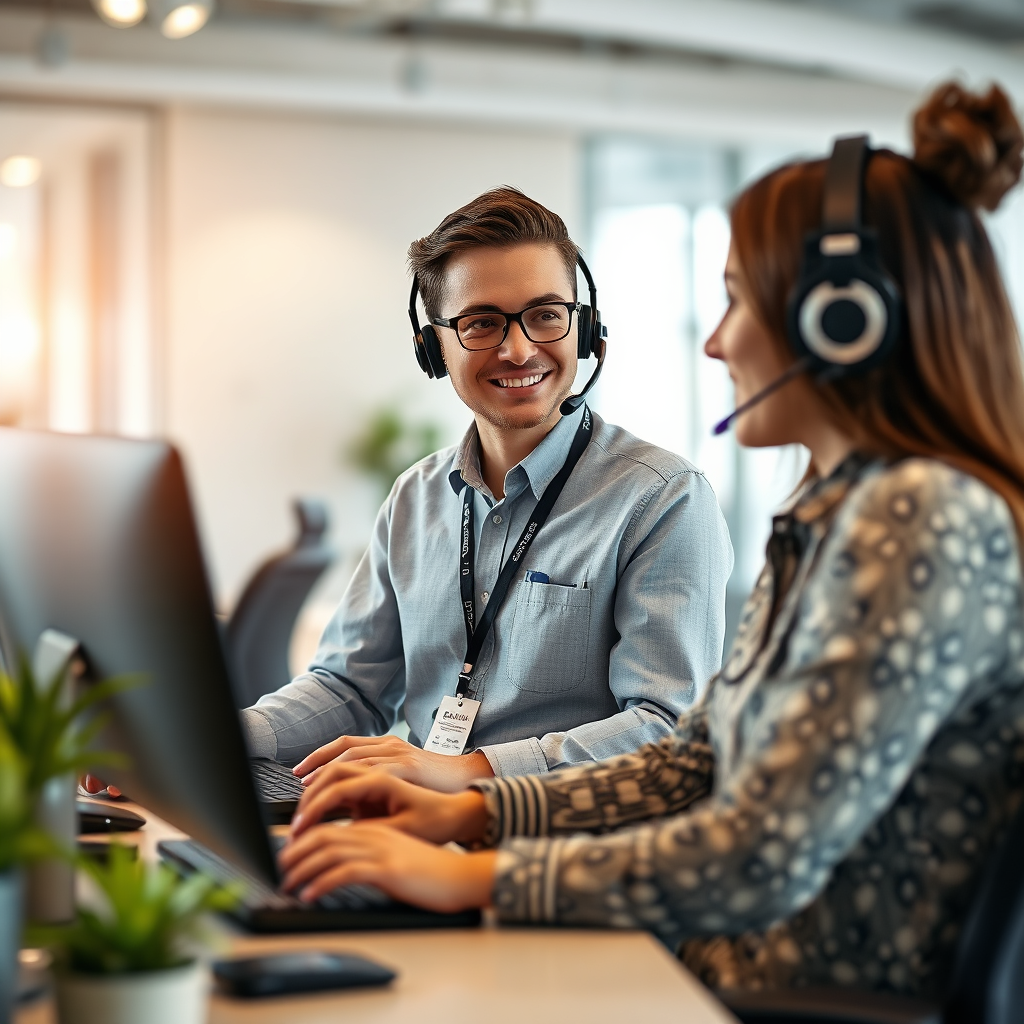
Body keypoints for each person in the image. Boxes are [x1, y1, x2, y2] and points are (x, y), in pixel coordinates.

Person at [277, 82, 1024, 1002]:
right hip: (713, 967)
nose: (715, 344)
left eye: (739, 301)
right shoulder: (834, 516)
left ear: (841, 323)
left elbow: (761, 852)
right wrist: (466, 815)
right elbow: (690, 764)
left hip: (771, 997)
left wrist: (476, 872)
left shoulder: (915, 521)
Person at [237, 188, 733, 794]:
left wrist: (468, 772)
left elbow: (668, 729)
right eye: (481, 323)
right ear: (433, 348)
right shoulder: (415, 498)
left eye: (546, 314)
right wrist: (209, 736)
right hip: (411, 823)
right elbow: (349, 688)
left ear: (584, 329)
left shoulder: (664, 500)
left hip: (558, 836)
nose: (519, 349)